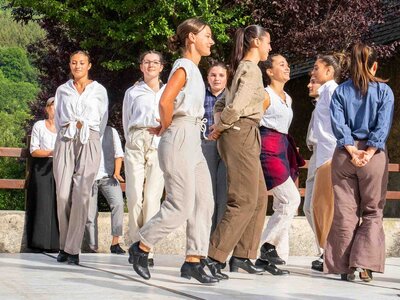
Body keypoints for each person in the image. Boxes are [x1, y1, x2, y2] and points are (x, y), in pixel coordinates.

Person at [128, 18, 218, 284]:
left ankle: (194, 259)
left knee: (205, 201)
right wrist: (166, 125)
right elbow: (165, 101)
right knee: (180, 205)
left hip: (192, 138)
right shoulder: (183, 68)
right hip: (180, 136)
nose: (211, 41)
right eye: (207, 36)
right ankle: (141, 246)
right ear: (191, 37)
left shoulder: (194, 70)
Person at [204, 25, 271, 277]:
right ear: (255, 41)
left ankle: (243, 255)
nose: (270, 47)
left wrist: (221, 120)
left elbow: (223, 101)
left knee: (260, 196)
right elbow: (238, 104)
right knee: (243, 199)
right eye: (267, 42)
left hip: (245, 132)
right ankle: (214, 257)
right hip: (241, 132)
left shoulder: (242, 68)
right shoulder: (250, 69)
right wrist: (221, 127)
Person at [325, 43, 394, 282]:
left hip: (345, 155)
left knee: (345, 212)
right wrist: (370, 149)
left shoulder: (340, 91)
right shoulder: (385, 92)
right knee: (373, 212)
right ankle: (365, 265)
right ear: (374, 66)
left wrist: (352, 149)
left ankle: (344, 268)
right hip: (373, 158)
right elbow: (383, 125)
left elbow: (338, 124)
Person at [53, 50, 108, 265]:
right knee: (63, 195)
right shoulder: (62, 90)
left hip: (90, 139)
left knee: (82, 192)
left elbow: (102, 120)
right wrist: (68, 133)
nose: (77, 66)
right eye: (74, 63)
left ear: (89, 65)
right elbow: (58, 118)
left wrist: (91, 138)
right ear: (70, 65)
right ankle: (64, 244)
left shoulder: (99, 90)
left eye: (81, 63)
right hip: (66, 138)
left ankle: (72, 249)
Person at [255, 54, 303, 274]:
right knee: (291, 198)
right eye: (281, 65)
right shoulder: (265, 95)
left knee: (283, 203)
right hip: (268, 149)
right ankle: (266, 246)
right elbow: (254, 123)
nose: (287, 68)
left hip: (282, 149)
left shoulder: (288, 98)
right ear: (269, 72)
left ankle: (266, 256)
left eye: (287, 64)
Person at [122, 50, 166, 266]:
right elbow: (126, 119)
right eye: (146, 62)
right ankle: (135, 242)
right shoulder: (132, 92)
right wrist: (131, 140)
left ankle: (147, 249)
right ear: (141, 66)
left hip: (159, 144)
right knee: (133, 196)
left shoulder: (169, 91)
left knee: (152, 198)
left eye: (155, 62)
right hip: (137, 139)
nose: (150, 65)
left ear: (161, 67)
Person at [307, 53, 348, 270]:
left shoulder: (332, 92)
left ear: (329, 71)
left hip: (329, 156)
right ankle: (328, 255)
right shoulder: (324, 93)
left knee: (325, 208)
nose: (313, 72)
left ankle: (331, 257)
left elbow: (339, 124)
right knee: (318, 207)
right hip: (323, 154)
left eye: (316, 68)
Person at [84, 125, 125, 255]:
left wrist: (117, 172)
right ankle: (92, 245)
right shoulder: (85, 130)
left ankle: (115, 243)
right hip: (89, 177)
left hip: (108, 176)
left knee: (118, 204)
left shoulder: (112, 131)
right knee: (90, 213)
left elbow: (119, 154)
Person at [26, 97, 59, 252]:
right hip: (42, 165)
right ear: (47, 108)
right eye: (52, 105)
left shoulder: (64, 127)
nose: (55, 108)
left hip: (60, 166)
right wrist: (51, 152)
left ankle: (56, 243)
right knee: (42, 202)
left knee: (59, 202)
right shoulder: (39, 125)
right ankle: (39, 242)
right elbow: (34, 150)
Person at [202, 62, 228, 233]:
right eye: (213, 75)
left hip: (227, 146)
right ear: (208, 78)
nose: (216, 78)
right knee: (208, 192)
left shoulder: (232, 97)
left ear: (227, 78)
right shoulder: (200, 96)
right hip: (206, 146)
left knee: (224, 192)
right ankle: (206, 236)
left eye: (221, 75)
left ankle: (219, 237)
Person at [302, 76, 324, 272]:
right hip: (315, 154)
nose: (309, 85)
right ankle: (325, 250)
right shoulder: (317, 104)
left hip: (326, 154)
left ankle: (328, 252)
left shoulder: (331, 100)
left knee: (319, 207)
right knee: (308, 207)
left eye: (314, 81)